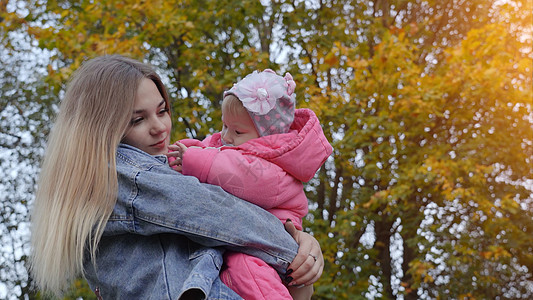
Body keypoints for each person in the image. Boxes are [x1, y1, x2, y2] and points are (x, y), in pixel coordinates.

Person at [29, 55, 324, 299]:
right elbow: (215, 212)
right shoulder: (121, 173)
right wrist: (295, 248)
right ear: (100, 127)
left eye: (163, 111)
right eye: (138, 119)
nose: (159, 127)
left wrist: (299, 252)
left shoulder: (153, 174)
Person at [168, 69, 333, 299]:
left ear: (266, 137)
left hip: (269, 240)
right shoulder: (232, 144)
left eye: (236, 130)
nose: (226, 135)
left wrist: (193, 159)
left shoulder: (271, 168)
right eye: (224, 125)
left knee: (246, 270)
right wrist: (183, 151)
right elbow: (210, 150)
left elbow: (236, 173)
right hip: (244, 235)